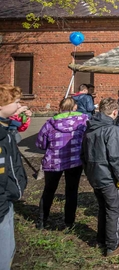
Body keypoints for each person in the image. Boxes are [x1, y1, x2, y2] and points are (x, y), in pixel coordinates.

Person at [81, 97, 119, 257]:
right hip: (108, 177)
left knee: (104, 208)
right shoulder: (112, 130)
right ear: (115, 112)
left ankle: (102, 239)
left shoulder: (90, 128)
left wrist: (89, 172)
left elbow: (83, 154)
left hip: (94, 175)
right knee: (115, 210)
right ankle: (113, 245)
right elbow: (116, 157)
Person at [35, 97, 88, 229]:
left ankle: (42, 221)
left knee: (49, 190)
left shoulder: (51, 123)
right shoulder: (83, 120)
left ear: (60, 108)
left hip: (54, 161)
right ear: (75, 107)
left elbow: (40, 144)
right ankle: (69, 222)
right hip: (75, 160)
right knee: (72, 190)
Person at [0, 85, 29, 267]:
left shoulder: (5, 131)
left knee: (8, 248)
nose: (19, 106)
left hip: (7, 198)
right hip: (2, 202)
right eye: (16, 102)